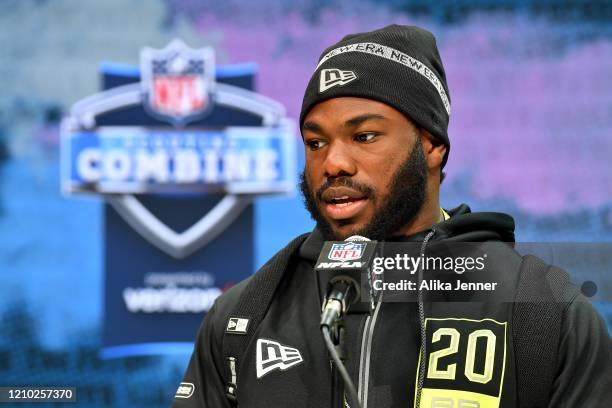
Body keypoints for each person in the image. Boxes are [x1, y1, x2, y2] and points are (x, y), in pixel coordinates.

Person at [172, 25, 611, 408]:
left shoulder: (542, 307)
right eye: (315, 142)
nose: (334, 164)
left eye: (364, 136)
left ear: (432, 145)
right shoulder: (244, 314)